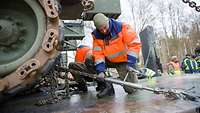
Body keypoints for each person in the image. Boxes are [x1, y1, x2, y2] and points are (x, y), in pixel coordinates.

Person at [92, 13, 141, 98]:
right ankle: (108, 87)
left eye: (105, 28)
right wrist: (100, 70)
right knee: (90, 59)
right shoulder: (96, 35)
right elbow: (98, 54)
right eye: (100, 29)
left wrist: (131, 63)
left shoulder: (122, 27)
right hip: (108, 60)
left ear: (108, 22)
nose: (103, 31)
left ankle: (131, 82)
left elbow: (134, 44)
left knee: (132, 89)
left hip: (124, 61)